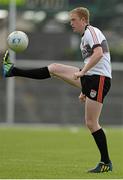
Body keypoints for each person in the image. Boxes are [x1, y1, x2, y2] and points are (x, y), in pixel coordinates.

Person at [1, 7, 112, 173]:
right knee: (54, 68)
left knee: (91, 123)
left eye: (74, 20)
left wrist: (82, 72)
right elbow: (92, 59)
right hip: (91, 79)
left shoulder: (91, 31)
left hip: (99, 80)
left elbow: (99, 54)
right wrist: (84, 88)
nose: (71, 23)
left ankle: (105, 163)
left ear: (83, 19)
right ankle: (12, 71)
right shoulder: (83, 38)